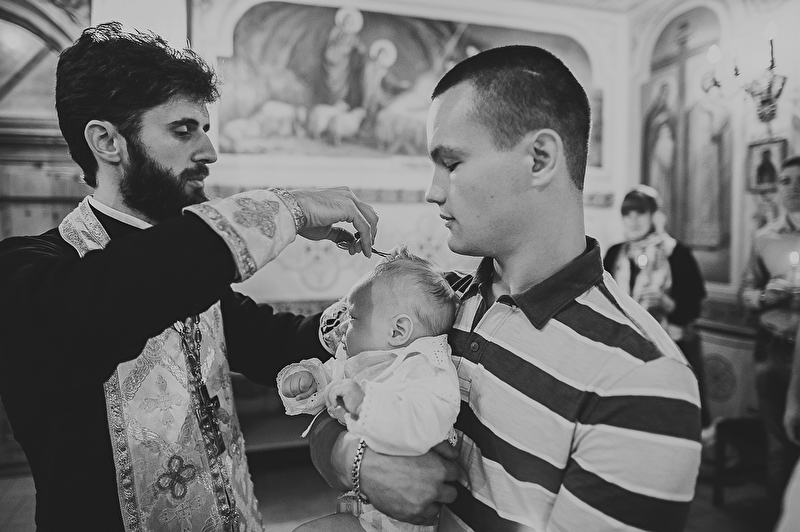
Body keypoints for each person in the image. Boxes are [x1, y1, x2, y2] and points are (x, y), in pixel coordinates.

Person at [305, 45, 702, 531]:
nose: (432, 190)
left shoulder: (640, 379)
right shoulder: (442, 298)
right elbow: (331, 389)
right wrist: (354, 458)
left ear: (539, 158)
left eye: (451, 162)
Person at [0, 22, 379, 532]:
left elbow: (277, 342)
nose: (209, 151)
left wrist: (380, 306)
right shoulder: (27, 273)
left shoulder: (190, 271)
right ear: (107, 141)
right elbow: (119, 295)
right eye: (183, 130)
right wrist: (286, 208)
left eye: (204, 128)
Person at [279, 246, 460, 532]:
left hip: (403, 518)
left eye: (353, 318)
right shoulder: (360, 359)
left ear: (397, 331)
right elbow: (332, 382)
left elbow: (428, 421)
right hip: (365, 503)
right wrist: (309, 381)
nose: (342, 327)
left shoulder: (424, 367)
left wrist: (367, 404)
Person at [604, 185, 710, 428]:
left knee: (669, 420)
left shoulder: (676, 253)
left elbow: (694, 307)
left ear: (654, 215)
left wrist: (666, 303)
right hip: (624, 350)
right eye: (627, 213)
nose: (633, 220)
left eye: (640, 212)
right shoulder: (615, 253)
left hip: (670, 348)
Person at [740, 155, 800, 510]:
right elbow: (746, 293)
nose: (793, 188)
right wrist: (765, 296)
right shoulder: (765, 238)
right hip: (774, 350)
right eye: (786, 181)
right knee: (778, 446)